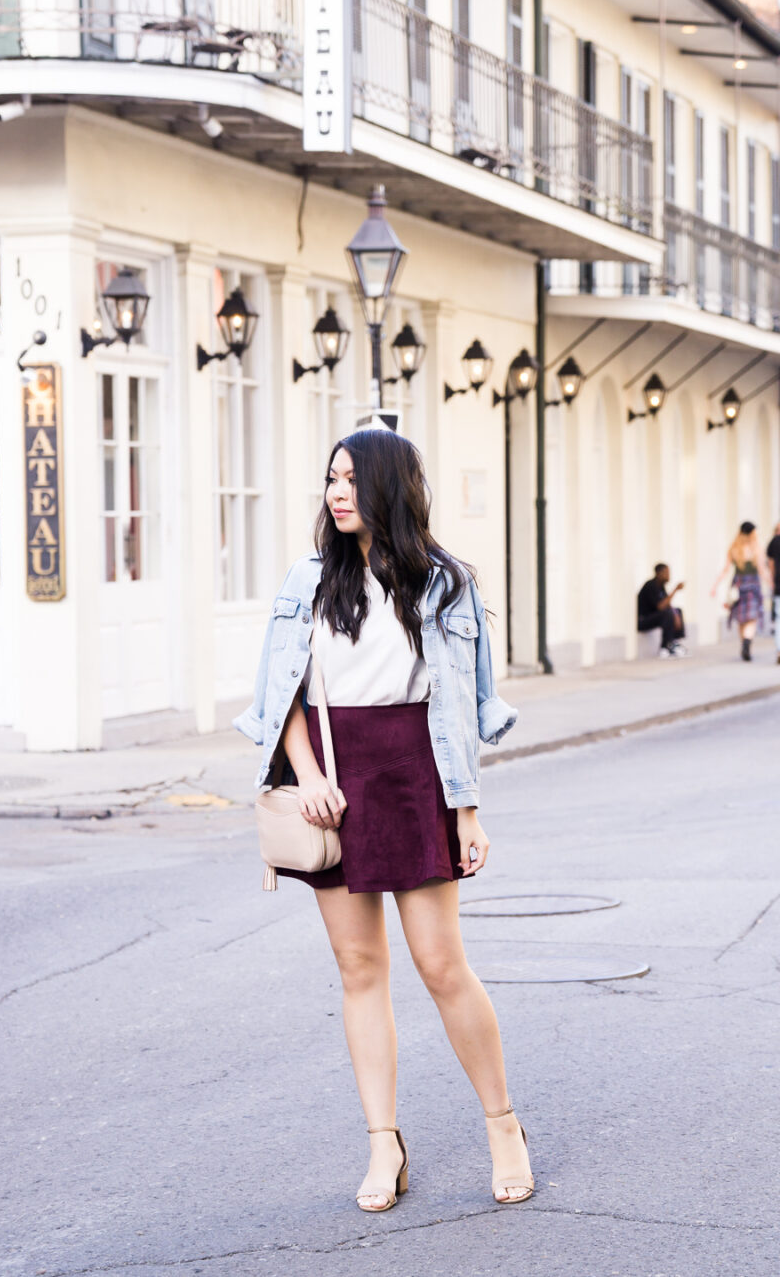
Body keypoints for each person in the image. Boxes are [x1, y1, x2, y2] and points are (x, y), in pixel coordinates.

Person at [234, 429, 534, 1211]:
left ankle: (503, 1126)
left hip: (416, 773)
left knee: (440, 963)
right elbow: (282, 697)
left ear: (390, 488)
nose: (337, 492)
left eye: (352, 480)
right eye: (330, 478)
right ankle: (384, 1144)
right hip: (333, 777)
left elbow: (462, 710)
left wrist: (466, 810)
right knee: (360, 969)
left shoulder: (444, 585)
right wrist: (308, 779)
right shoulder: (307, 581)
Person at [710, 521, 770, 661]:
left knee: (742, 618)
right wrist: (771, 584)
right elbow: (762, 571)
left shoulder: (734, 548)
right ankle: (747, 643)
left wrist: (715, 586)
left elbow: (725, 570)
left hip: (738, 586)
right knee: (752, 618)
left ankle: (744, 642)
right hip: (753, 587)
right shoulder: (756, 549)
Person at [637, 563, 687, 657]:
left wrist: (675, 614)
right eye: (666, 573)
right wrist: (675, 590)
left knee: (677, 611)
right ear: (658, 573)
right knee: (667, 614)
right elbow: (661, 607)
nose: (669, 576)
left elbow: (667, 604)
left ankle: (674, 643)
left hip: (653, 617)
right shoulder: (650, 585)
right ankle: (665, 647)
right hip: (642, 620)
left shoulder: (661, 586)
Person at [767, 521, 780, 665]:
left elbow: (770, 565)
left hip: (778, 586)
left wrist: (772, 581)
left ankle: (779, 650)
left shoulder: (773, 543)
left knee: (779, 620)